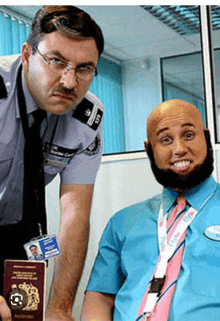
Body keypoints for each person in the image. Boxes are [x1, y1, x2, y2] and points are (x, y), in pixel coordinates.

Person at [0, 5, 104, 321]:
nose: (70, 82)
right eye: (56, 61)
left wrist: (60, 309)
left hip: (24, 236)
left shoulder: (88, 119)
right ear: (28, 53)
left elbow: (75, 214)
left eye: (85, 68)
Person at [81, 99, 220, 321]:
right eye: (166, 140)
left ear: (206, 137)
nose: (179, 149)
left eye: (188, 135)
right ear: (149, 150)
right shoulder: (123, 222)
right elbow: (100, 297)